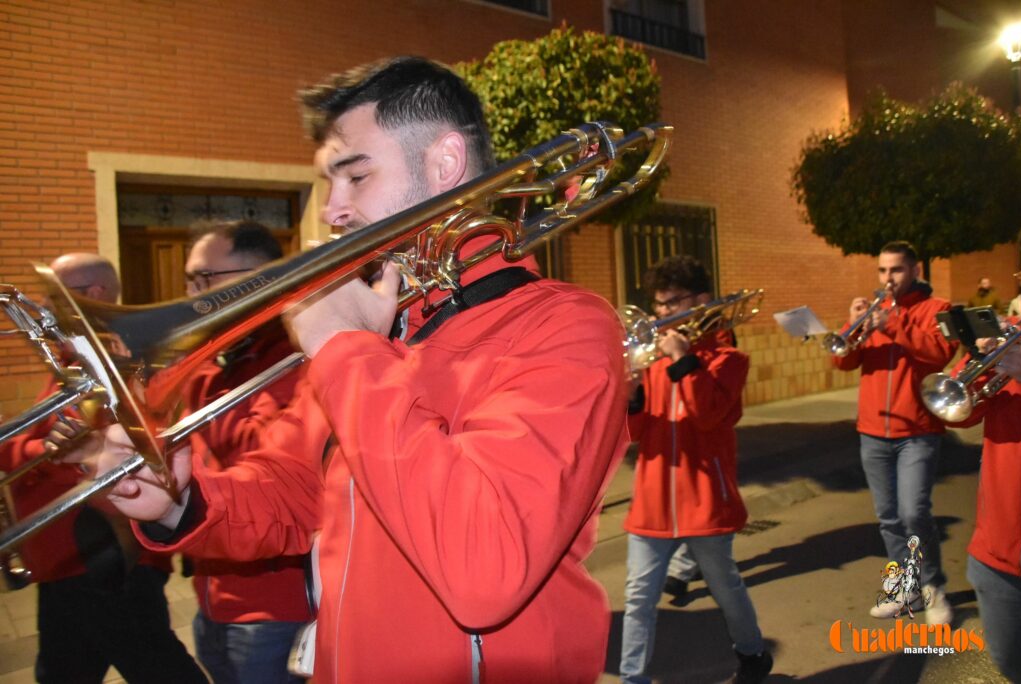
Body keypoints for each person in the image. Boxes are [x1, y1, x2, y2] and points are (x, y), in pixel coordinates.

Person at [96, 56, 629, 683]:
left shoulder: (562, 326)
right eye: (329, 182)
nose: (331, 211)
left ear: (446, 164)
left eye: (355, 176)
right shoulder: (379, 334)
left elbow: (486, 569)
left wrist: (346, 350)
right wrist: (180, 502)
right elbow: (296, 493)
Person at [0, 253, 207, 684]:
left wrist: (16, 450)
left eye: (55, 295)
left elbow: (103, 451)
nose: (43, 303)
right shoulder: (74, 359)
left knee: (156, 668)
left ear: (93, 296)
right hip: (69, 559)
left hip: (102, 559)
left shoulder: (112, 360)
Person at [620, 255, 772, 684]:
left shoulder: (728, 359)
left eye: (672, 303)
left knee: (725, 590)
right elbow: (634, 433)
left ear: (701, 301)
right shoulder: (651, 359)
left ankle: (752, 654)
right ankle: (633, 679)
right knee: (637, 598)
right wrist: (630, 394)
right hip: (651, 502)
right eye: (659, 304)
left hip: (704, 500)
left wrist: (683, 361)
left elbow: (707, 414)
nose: (663, 313)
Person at [182, 222, 312, 684]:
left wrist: (191, 375)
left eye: (203, 279)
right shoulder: (228, 361)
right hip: (213, 593)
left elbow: (255, 453)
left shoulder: (291, 355)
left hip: (271, 609)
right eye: (189, 279)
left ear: (258, 277)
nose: (189, 294)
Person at [832, 240, 956, 624]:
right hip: (872, 430)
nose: (888, 278)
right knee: (888, 518)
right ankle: (907, 590)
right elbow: (844, 362)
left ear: (915, 271)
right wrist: (851, 328)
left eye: (896, 270)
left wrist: (894, 325)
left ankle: (932, 589)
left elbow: (939, 353)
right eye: (883, 271)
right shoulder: (875, 311)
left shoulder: (938, 309)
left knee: (914, 513)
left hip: (917, 430)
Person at [949, 331, 1021, 682]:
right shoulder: (1014, 344)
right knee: (1011, 664)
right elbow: (958, 415)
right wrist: (977, 362)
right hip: (997, 551)